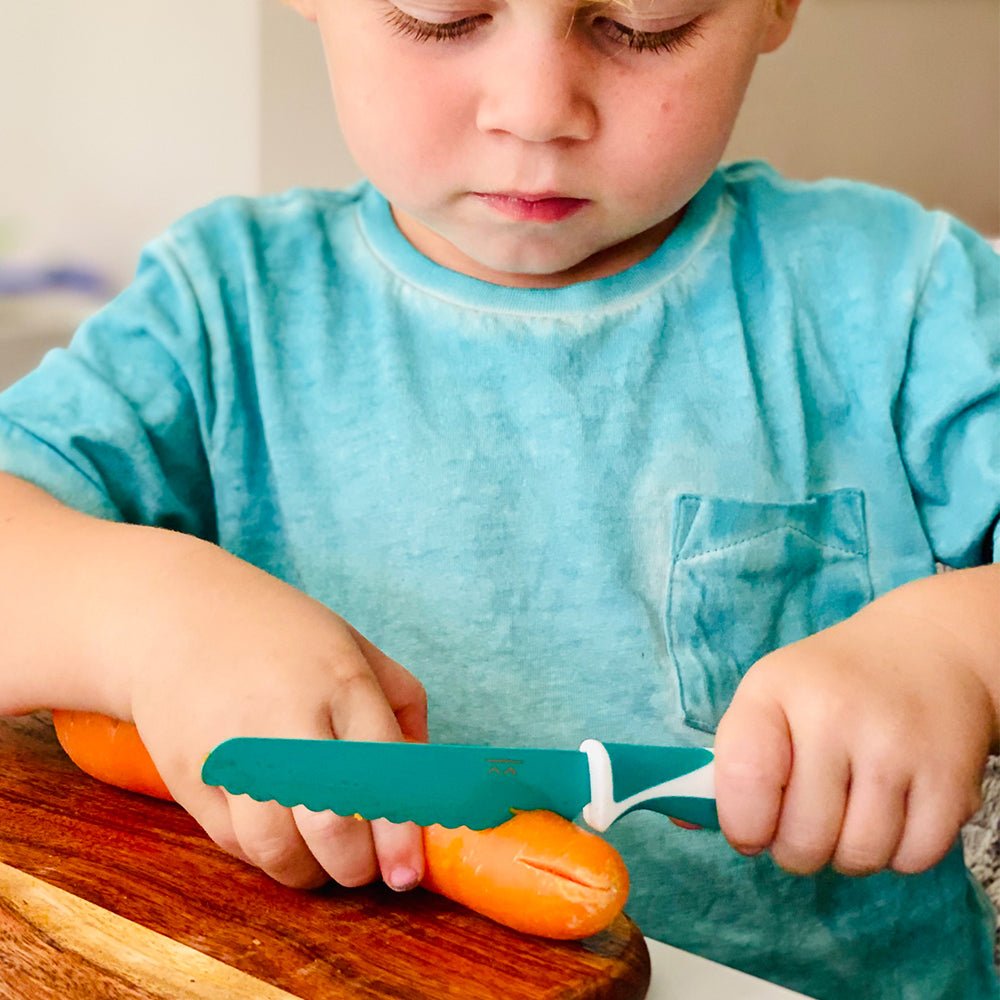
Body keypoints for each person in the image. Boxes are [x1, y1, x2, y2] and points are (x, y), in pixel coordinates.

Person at [1, 0, 997, 995]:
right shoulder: (224, 312)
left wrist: (958, 649)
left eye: (645, 24)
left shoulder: (901, 298)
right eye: (441, 16)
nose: (535, 112)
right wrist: (154, 619)